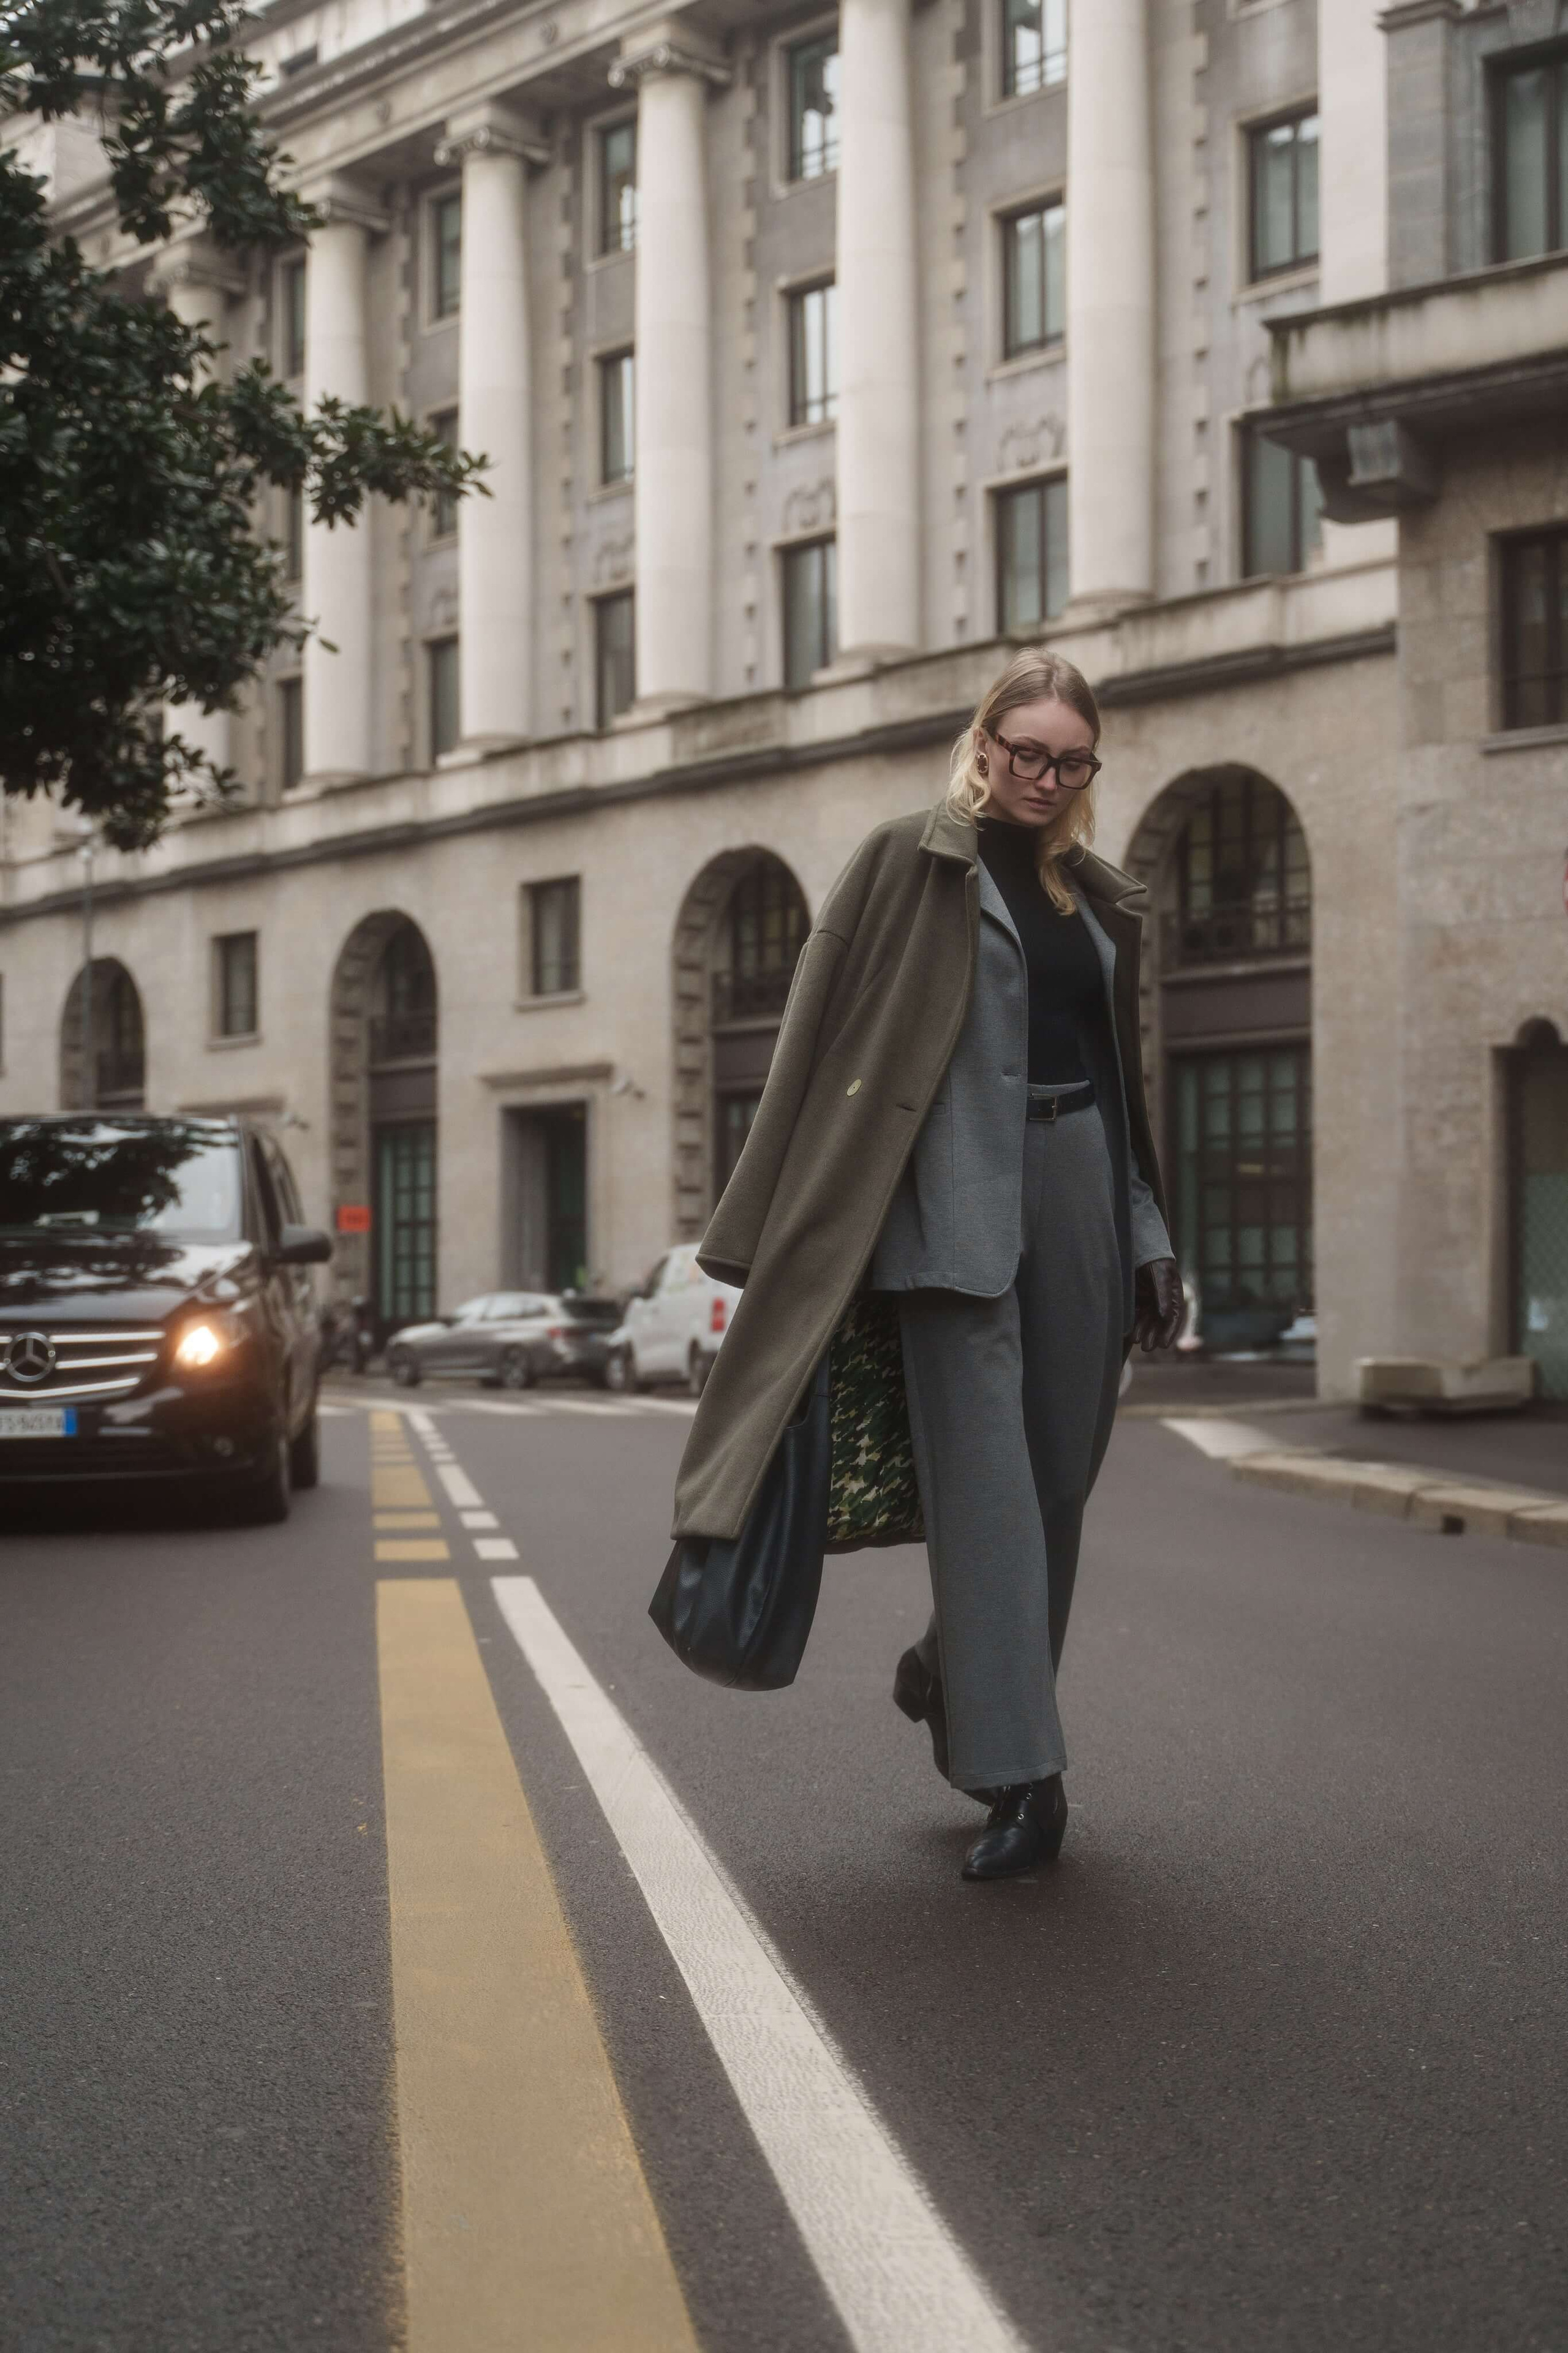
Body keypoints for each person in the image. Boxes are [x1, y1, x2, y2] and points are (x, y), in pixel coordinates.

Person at [671, 648, 1183, 1881]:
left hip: (1076, 1201)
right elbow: (810, 1039)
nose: (1045, 778)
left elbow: (1124, 1085)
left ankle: (952, 1667)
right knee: (990, 1503)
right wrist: (764, 1234)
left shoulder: (1093, 897)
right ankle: (1019, 1775)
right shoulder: (907, 861)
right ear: (984, 742)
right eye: (1026, 754)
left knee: (1058, 1483)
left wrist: (1149, 1235)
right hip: (945, 1210)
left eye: (1070, 761)